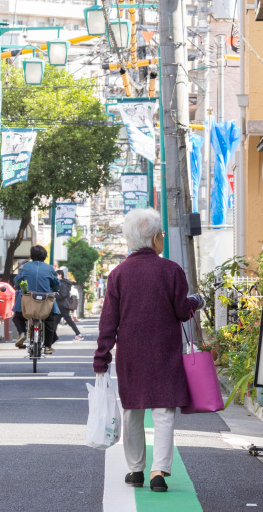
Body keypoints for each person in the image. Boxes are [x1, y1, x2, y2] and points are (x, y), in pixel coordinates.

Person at [93, 208, 204, 493]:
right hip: (164, 351)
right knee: (163, 411)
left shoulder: (117, 275)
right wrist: (196, 303)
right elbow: (181, 311)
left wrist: (102, 357)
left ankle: (136, 469)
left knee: (133, 411)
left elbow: (109, 321)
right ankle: (159, 471)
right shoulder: (171, 271)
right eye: (162, 235)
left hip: (130, 353)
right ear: (156, 238)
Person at [12, 245, 60, 354]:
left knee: (17, 317)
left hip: (28, 301)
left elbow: (17, 280)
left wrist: (20, 286)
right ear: (45, 256)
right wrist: (55, 288)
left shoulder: (26, 267)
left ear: (32, 256)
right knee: (50, 320)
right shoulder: (49, 268)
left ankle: (22, 333)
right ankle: (47, 346)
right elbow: (56, 284)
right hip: (45, 302)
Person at [55, 270, 84, 341]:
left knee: (68, 321)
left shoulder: (63, 284)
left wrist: (54, 295)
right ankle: (53, 337)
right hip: (61, 305)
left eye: (56, 275)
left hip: (62, 306)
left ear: (60, 275)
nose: (55, 276)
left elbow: (63, 295)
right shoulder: (63, 283)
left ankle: (79, 334)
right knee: (55, 322)